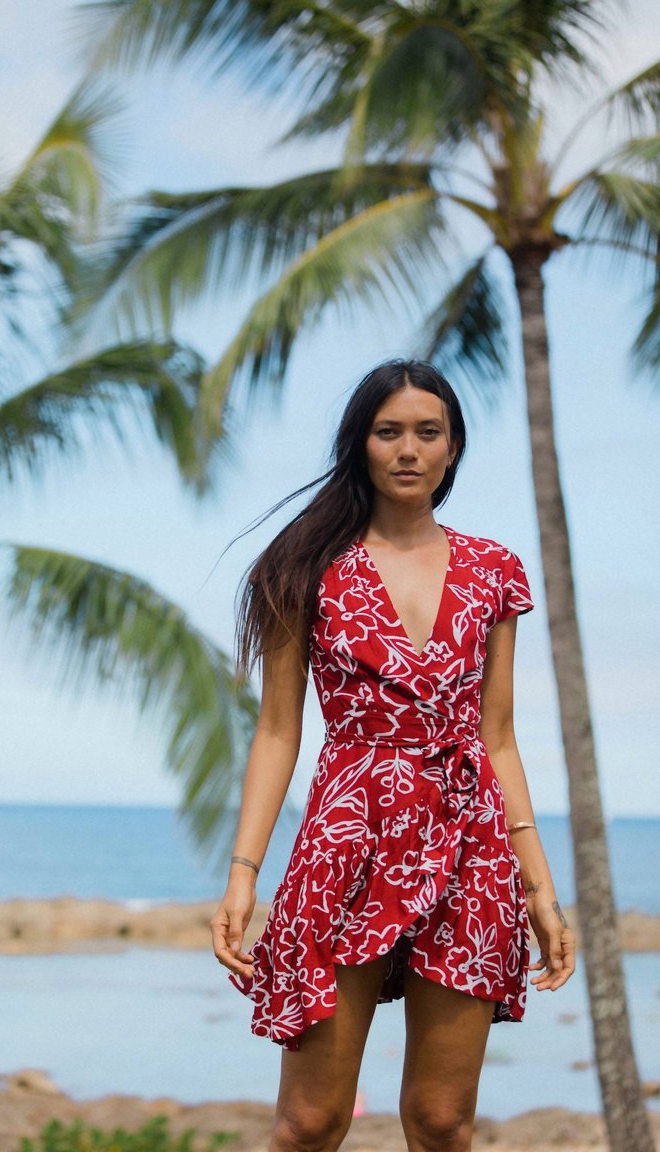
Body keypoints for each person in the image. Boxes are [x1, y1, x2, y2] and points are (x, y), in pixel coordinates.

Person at [210, 359, 576, 1152]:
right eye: (389, 432)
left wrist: (540, 888)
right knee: (310, 1123)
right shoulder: (303, 568)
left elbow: (498, 736)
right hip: (346, 841)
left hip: (471, 849)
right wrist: (243, 873)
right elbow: (277, 730)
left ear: (452, 449)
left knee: (442, 1122)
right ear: (362, 446)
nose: (408, 449)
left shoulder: (494, 571)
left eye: (427, 432)